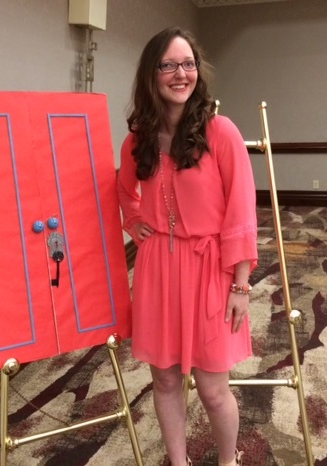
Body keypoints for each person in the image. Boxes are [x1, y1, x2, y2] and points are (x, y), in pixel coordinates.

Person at [117, 27, 258, 466]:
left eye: (189, 64)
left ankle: (226, 460)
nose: (181, 74)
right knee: (164, 381)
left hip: (210, 268)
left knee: (214, 390)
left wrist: (240, 284)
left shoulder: (221, 132)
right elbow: (123, 189)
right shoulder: (138, 138)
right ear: (151, 74)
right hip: (159, 267)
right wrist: (137, 221)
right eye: (169, 65)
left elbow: (241, 209)